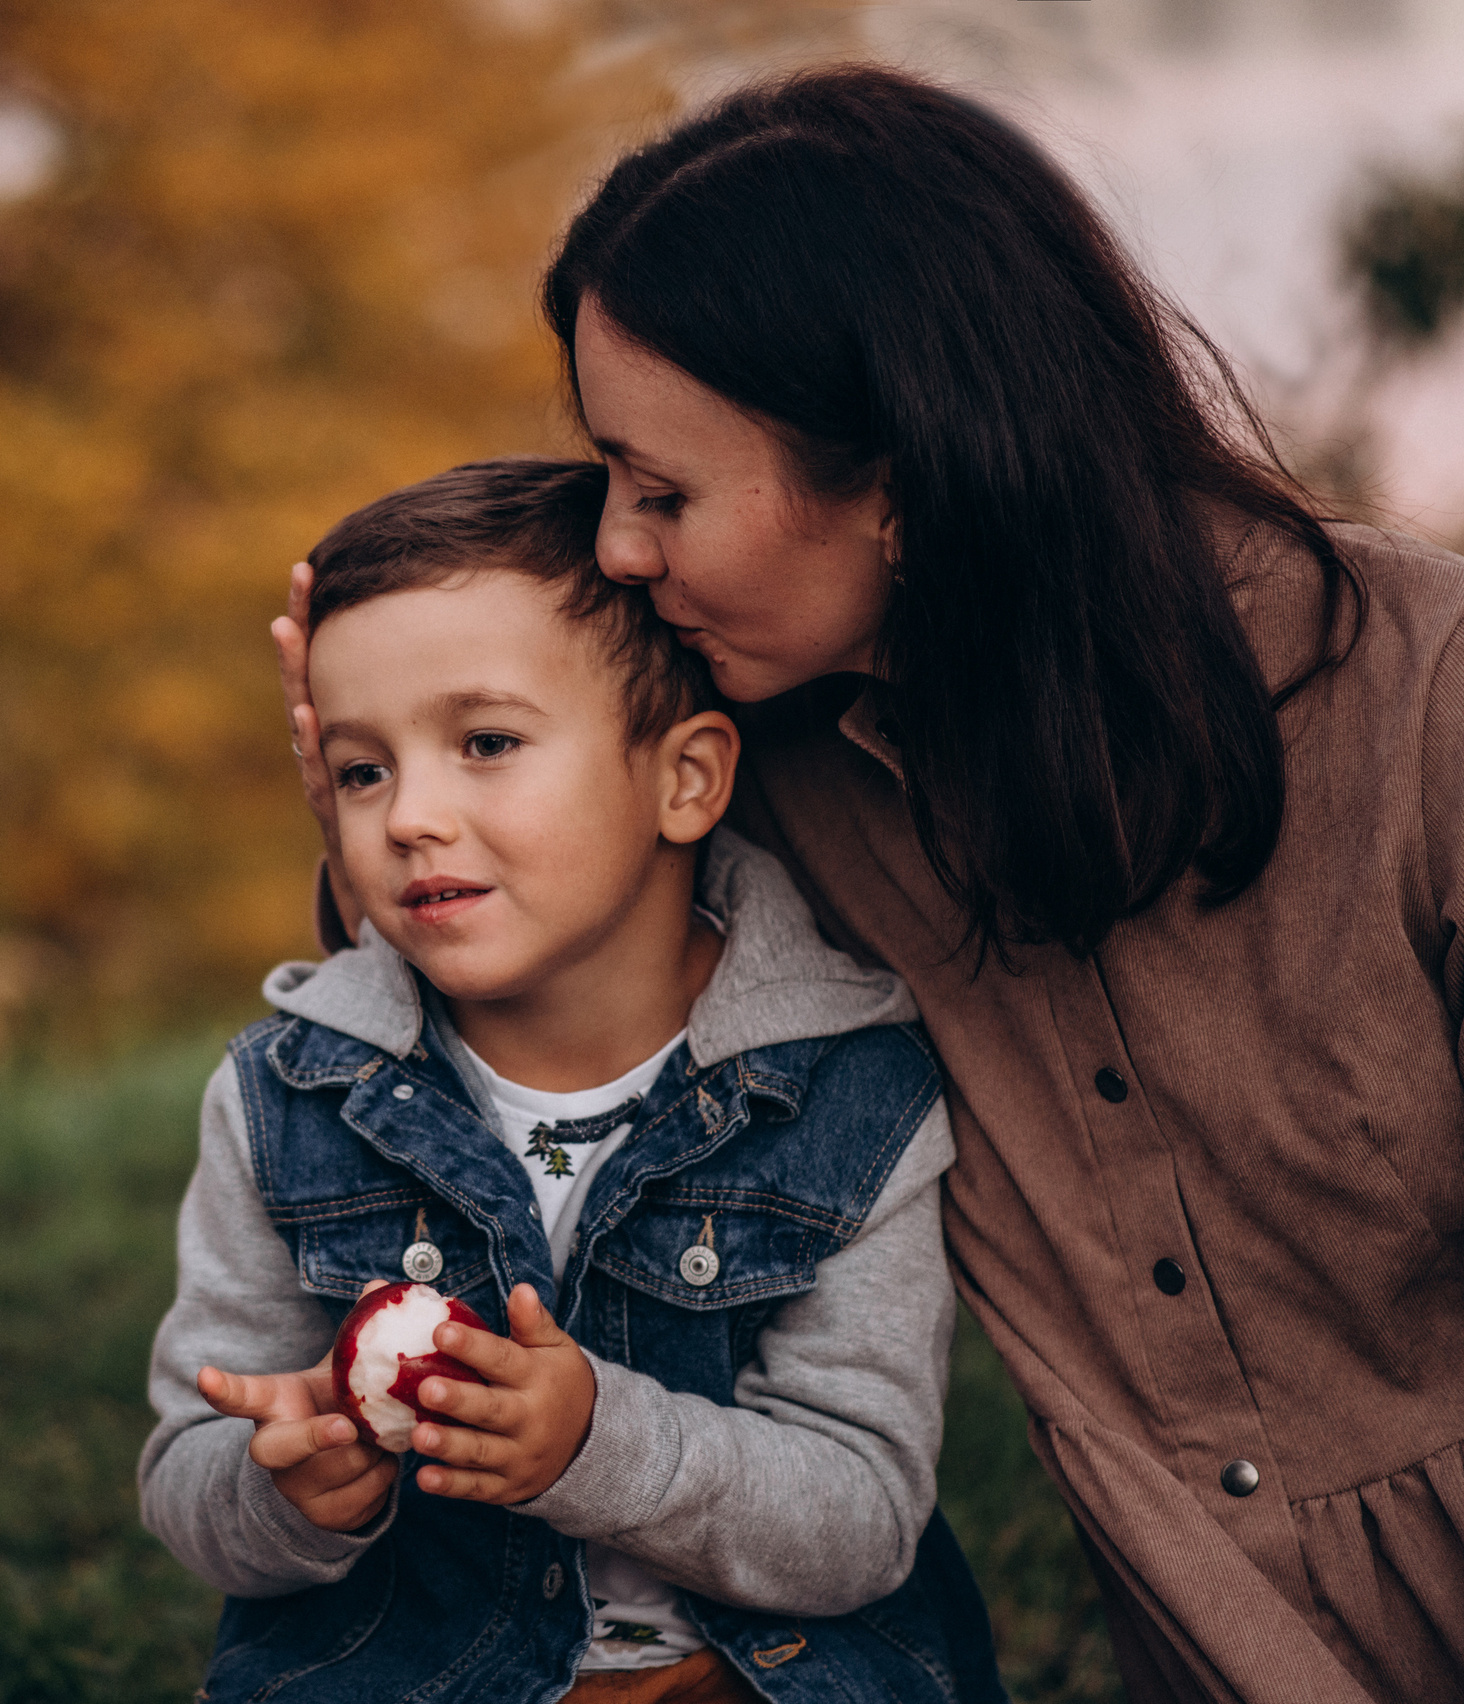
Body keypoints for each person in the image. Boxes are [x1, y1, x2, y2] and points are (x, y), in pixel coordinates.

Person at [274, 63, 1464, 1704]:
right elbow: (522, 1027)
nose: (621, 544)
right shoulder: (768, 769)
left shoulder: (1423, 688)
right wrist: (393, 755)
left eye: (665, 489)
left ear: (902, 473)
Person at [146, 458, 1008, 1703]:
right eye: (361, 769)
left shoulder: (848, 1099)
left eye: (485, 742)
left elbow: (863, 1513)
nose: (407, 817)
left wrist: (599, 1443)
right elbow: (190, 1470)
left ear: (684, 779)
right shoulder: (290, 1101)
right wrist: (282, 1491)